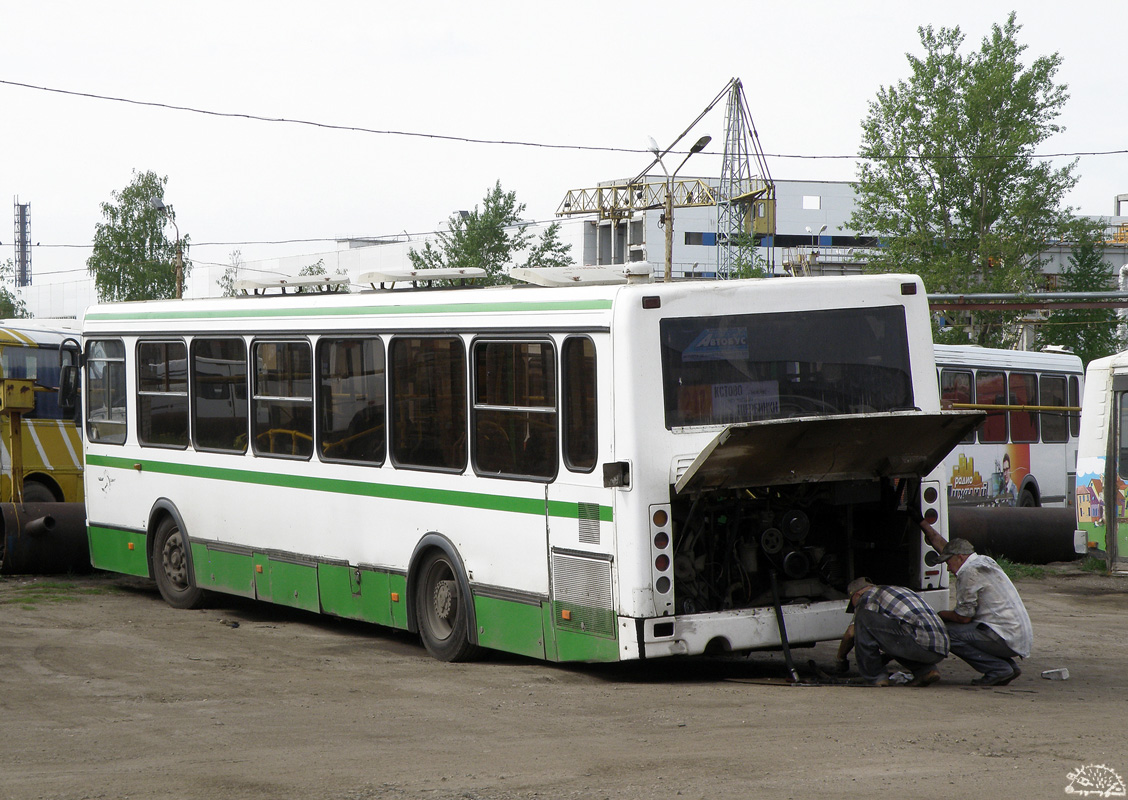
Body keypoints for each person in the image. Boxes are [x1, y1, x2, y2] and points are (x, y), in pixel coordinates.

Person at [920, 520, 1033, 686]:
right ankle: (1008, 667)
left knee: (947, 633)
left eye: (948, 563)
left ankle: (998, 669)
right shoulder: (984, 561)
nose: (949, 569)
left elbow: (963, 617)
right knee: (966, 629)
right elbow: (940, 542)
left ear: (959, 558)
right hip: (1017, 635)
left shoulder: (969, 571)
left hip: (1004, 636)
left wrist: (939, 615)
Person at [835, 577, 949, 687]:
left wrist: (841, 657)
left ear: (856, 595)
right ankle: (926, 671)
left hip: (918, 641)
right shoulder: (899, 590)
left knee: (862, 618)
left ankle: (875, 677)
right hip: (940, 648)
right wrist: (885, 656)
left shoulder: (868, 595)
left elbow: (851, 633)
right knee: (897, 632)